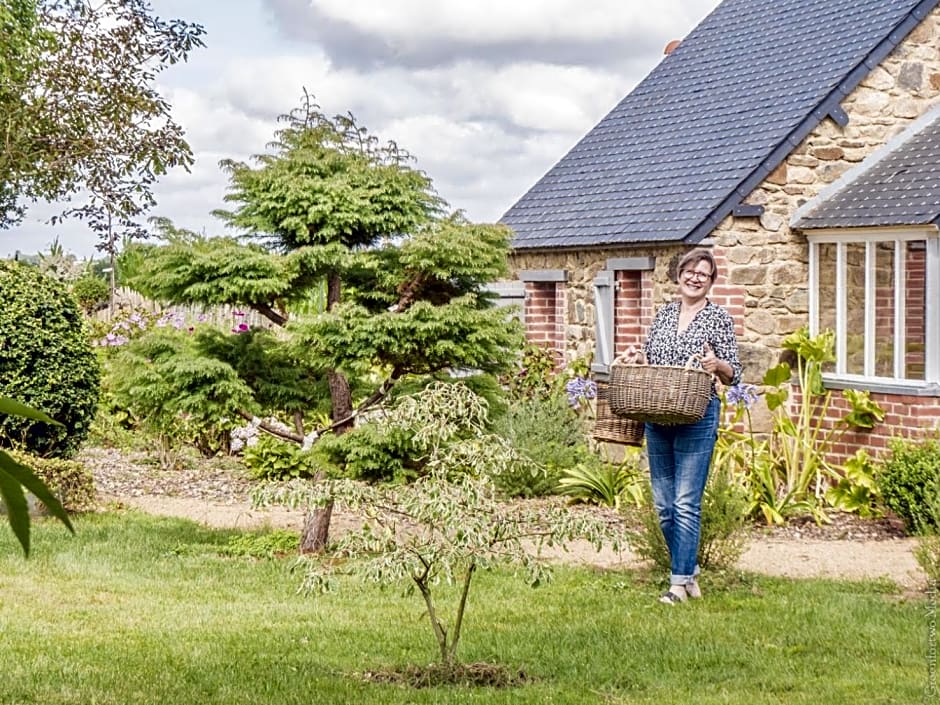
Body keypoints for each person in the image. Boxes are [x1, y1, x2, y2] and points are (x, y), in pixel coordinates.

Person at [627, 248, 742, 605]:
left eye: (703, 275)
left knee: (685, 502)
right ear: (679, 275)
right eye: (690, 271)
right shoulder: (663, 315)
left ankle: (677, 585)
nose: (694, 278)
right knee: (664, 506)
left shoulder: (718, 318)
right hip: (658, 415)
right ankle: (689, 572)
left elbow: (734, 372)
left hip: (697, 415)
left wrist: (716, 364)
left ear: (711, 282)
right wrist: (638, 359)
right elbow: (652, 360)